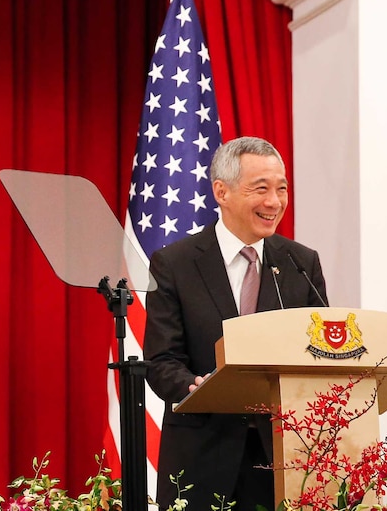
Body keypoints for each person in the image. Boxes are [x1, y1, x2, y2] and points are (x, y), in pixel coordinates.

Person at [143, 136, 328, 511]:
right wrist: (197, 386)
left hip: (283, 459)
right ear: (221, 192)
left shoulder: (300, 263)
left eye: (281, 189)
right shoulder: (175, 263)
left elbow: (320, 356)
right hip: (202, 457)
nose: (274, 203)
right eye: (260, 189)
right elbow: (161, 361)